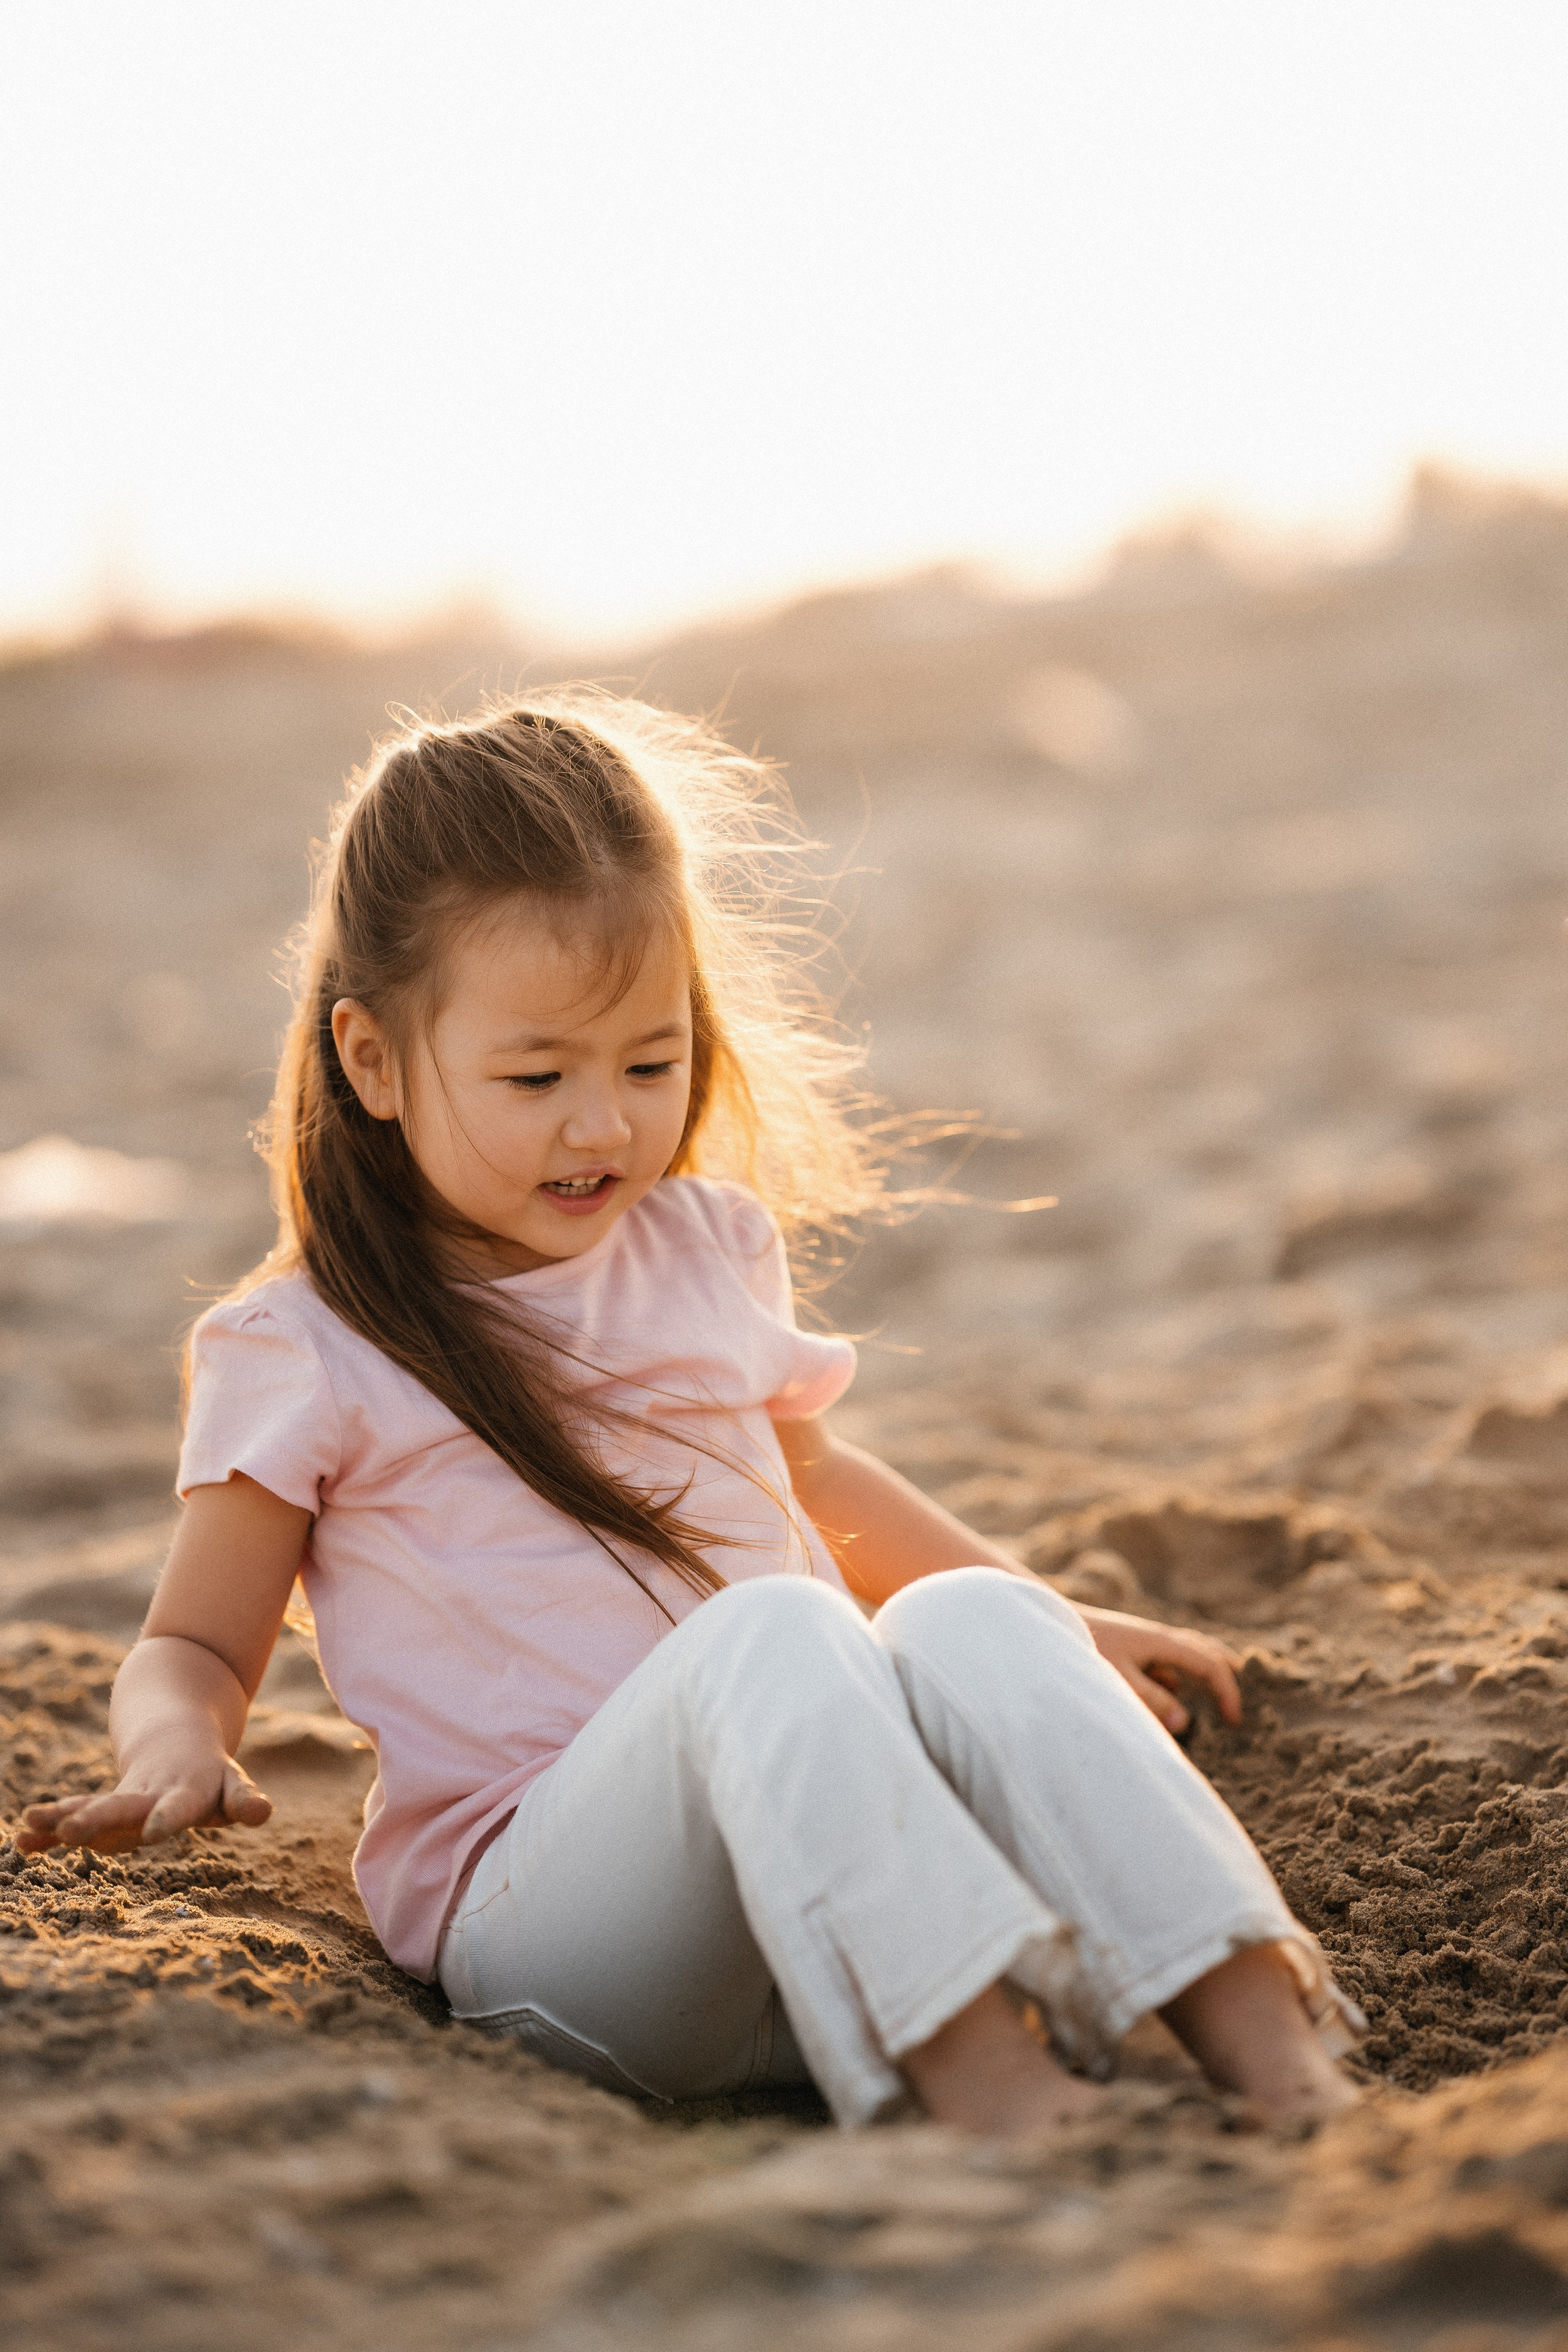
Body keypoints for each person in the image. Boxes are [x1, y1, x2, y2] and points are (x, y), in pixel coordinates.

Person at [18, 698, 1362, 2135]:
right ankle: (988, 2090)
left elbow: (819, 1483)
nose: (603, 1126)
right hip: (573, 1934)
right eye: (537, 1078)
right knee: (777, 1631)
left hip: (845, 1888)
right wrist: (174, 1742)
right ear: (375, 1061)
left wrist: (1048, 1634)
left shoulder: (700, 1247)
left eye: (647, 1066)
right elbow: (192, 1643)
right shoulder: (303, 1345)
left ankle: (1273, 2057)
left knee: (970, 1616)